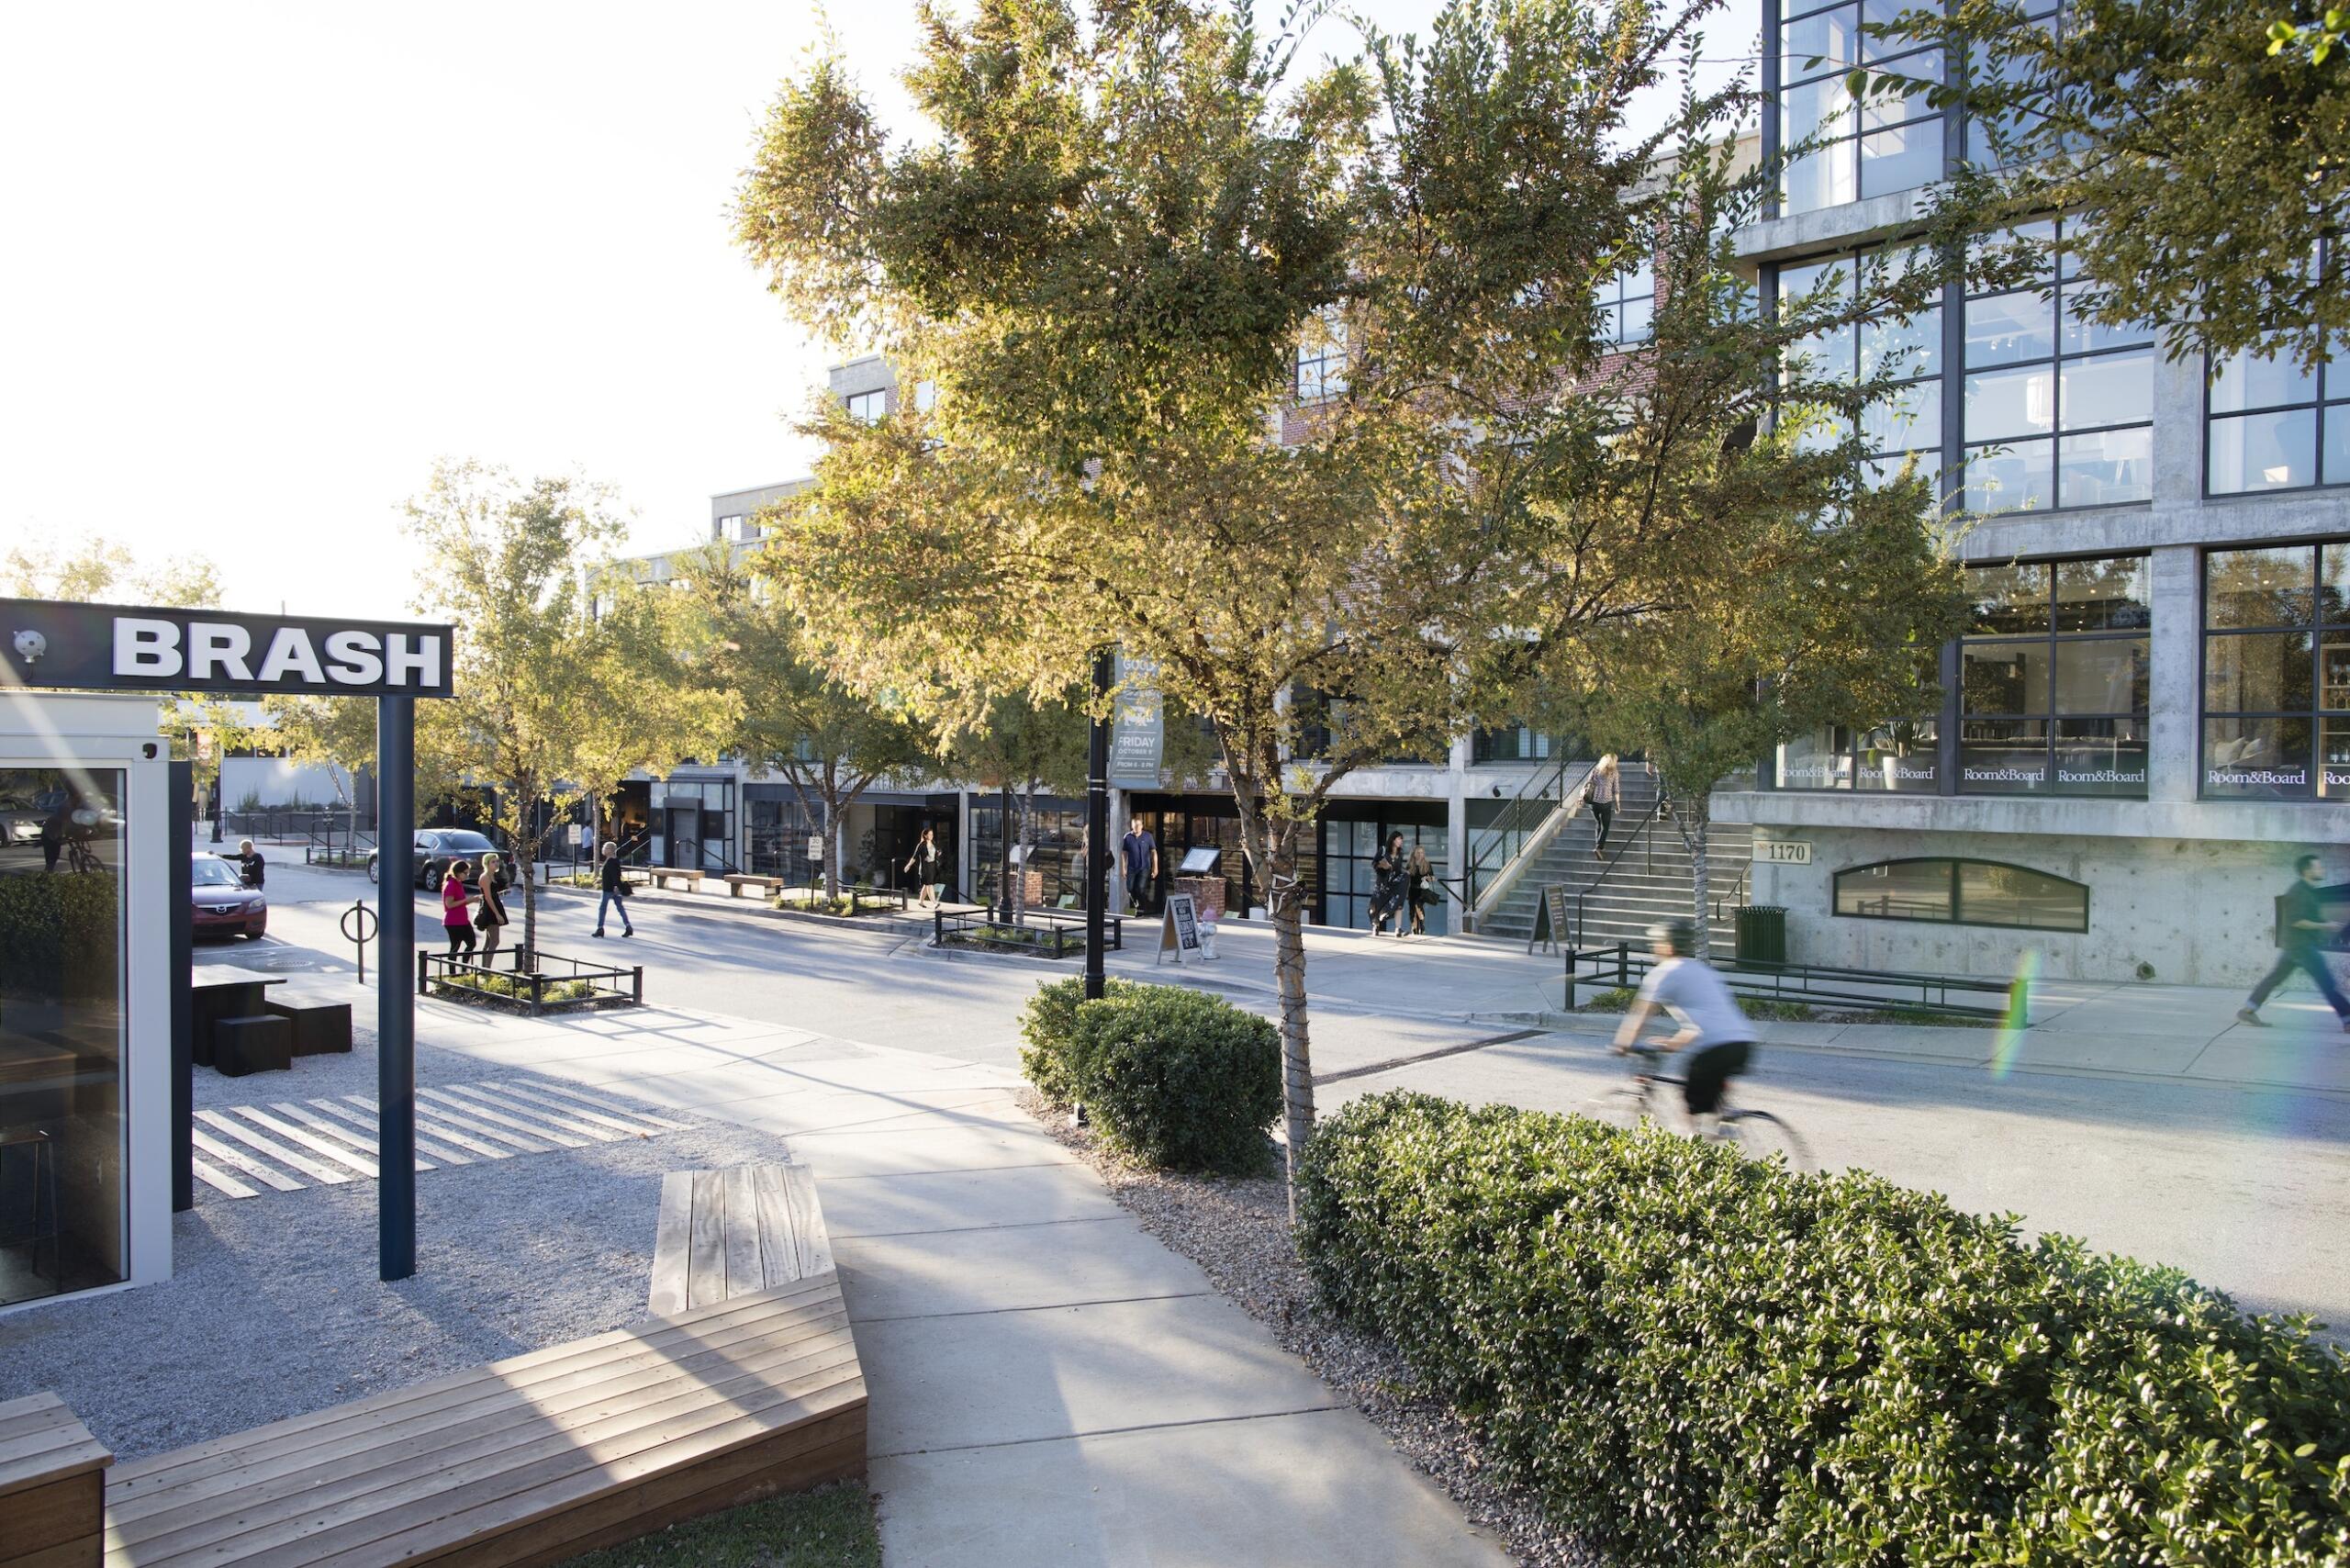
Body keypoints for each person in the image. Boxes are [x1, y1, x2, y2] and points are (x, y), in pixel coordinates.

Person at [1613, 918, 1755, 1127]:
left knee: (1691, 1103)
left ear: (1667, 946)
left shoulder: (1664, 973)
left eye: (1656, 943)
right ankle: (1721, 1126)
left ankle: (1696, 1146)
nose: (1654, 948)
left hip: (1716, 1050)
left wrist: (1623, 1044)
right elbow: (1706, 1020)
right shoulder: (1702, 970)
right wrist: (1672, 1044)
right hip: (1742, 1043)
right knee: (1706, 1098)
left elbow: (1639, 1017)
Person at [2237, 854, 2350, 1032]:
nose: (2322, 869)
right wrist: (2325, 925)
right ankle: (2348, 1019)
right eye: (2318, 867)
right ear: (2307, 871)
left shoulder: (2307, 890)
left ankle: (2248, 1010)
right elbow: (2296, 921)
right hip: (2302, 947)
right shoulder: (2299, 892)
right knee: (2327, 983)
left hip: (2294, 946)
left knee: (2274, 978)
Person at [1370, 831, 1408, 935]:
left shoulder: (1400, 854)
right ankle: (1376, 927)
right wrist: (1384, 866)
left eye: (1402, 839)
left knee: (1399, 902)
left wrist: (1406, 872)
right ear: (1393, 839)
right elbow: (1374, 863)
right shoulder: (1383, 850)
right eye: (1399, 839)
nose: (1401, 841)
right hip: (1382, 884)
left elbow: (1398, 870)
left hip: (1393, 883)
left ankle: (1398, 929)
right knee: (1376, 906)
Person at [593, 840, 634, 938]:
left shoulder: (611, 861)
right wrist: (601, 880)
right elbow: (613, 875)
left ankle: (600, 928)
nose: (604, 849)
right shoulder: (614, 860)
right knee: (620, 908)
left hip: (609, 889)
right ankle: (628, 927)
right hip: (614, 887)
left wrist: (615, 886)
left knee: (602, 909)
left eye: (606, 848)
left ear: (611, 850)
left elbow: (615, 876)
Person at [476, 850, 509, 962]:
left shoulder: (492, 876)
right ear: (487, 864)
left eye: (497, 862)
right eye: (493, 862)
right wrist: (497, 914)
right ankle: (487, 969)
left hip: (495, 906)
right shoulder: (485, 877)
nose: (496, 864)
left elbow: (492, 894)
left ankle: (484, 968)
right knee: (495, 941)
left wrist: (501, 893)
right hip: (489, 910)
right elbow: (488, 898)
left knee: (489, 941)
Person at [1120, 820, 1159, 914]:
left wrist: (1155, 867)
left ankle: (1141, 907)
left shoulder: (1148, 836)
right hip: (1131, 867)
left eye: (1138, 825)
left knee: (1140, 888)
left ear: (1142, 826)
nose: (1136, 827)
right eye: (1134, 825)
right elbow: (1124, 853)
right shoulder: (1127, 837)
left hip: (1144, 867)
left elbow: (1153, 852)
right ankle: (1136, 905)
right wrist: (1123, 867)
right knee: (1129, 888)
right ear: (1132, 826)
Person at [442, 860, 477, 958]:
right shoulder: (451, 884)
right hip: (453, 921)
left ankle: (464, 968)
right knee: (455, 947)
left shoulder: (459, 883)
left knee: (471, 943)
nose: (467, 875)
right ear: (458, 873)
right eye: (465, 873)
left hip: (463, 920)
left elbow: (461, 902)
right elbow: (449, 904)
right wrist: (467, 900)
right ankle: (452, 973)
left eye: (468, 873)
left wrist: (473, 900)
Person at [902, 825, 944, 909]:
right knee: (929, 885)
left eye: (932, 834)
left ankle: (920, 902)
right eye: (929, 834)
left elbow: (936, 853)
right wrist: (908, 865)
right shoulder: (921, 845)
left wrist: (938, 853)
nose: (931, 836)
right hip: (925, 868)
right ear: (925, 835)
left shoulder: (933, 843)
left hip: (932, 867)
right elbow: (914, 857)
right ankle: (934, 903)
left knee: (926, 885)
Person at [1588, 755, 1620, 852]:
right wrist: (1618, 805)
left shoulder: (1595, 770)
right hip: (1606, 803)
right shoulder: (1614, 772)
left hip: (1593, 803)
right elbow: (1616, 790)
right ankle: (1599, 847)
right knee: (1605, 827)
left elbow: (1588, 783)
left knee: (1598, 823)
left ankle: (1598, 844)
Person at [1403, 844, 1436, 938]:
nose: (1420, 854)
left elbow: (1432, 877)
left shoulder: (1427, 864)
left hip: (1422, 890)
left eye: (1422, 853)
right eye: (1418, 853)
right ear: (1414, 854)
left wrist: (1429, 878)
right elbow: (1405, 877)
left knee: (1418, 906)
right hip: (1412, 890)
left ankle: (1422, 924)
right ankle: (1414, 928)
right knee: (1412, 911)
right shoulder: (1410, 864)